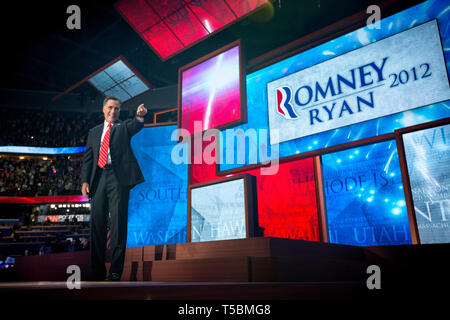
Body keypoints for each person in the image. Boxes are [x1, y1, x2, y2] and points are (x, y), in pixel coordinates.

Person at [81, 97, 147, 281]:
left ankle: (116, 271)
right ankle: (97, 271)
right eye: (110, 108)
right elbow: (88, 159)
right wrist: (85, 181)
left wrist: (139, 117)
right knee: (97, 226)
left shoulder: (123, 127)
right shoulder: (94, 132)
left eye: (117, 109)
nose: (113, 111)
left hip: (118, 179)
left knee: (118, 225)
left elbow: (136, 125)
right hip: (98, 179)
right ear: (103, 109)